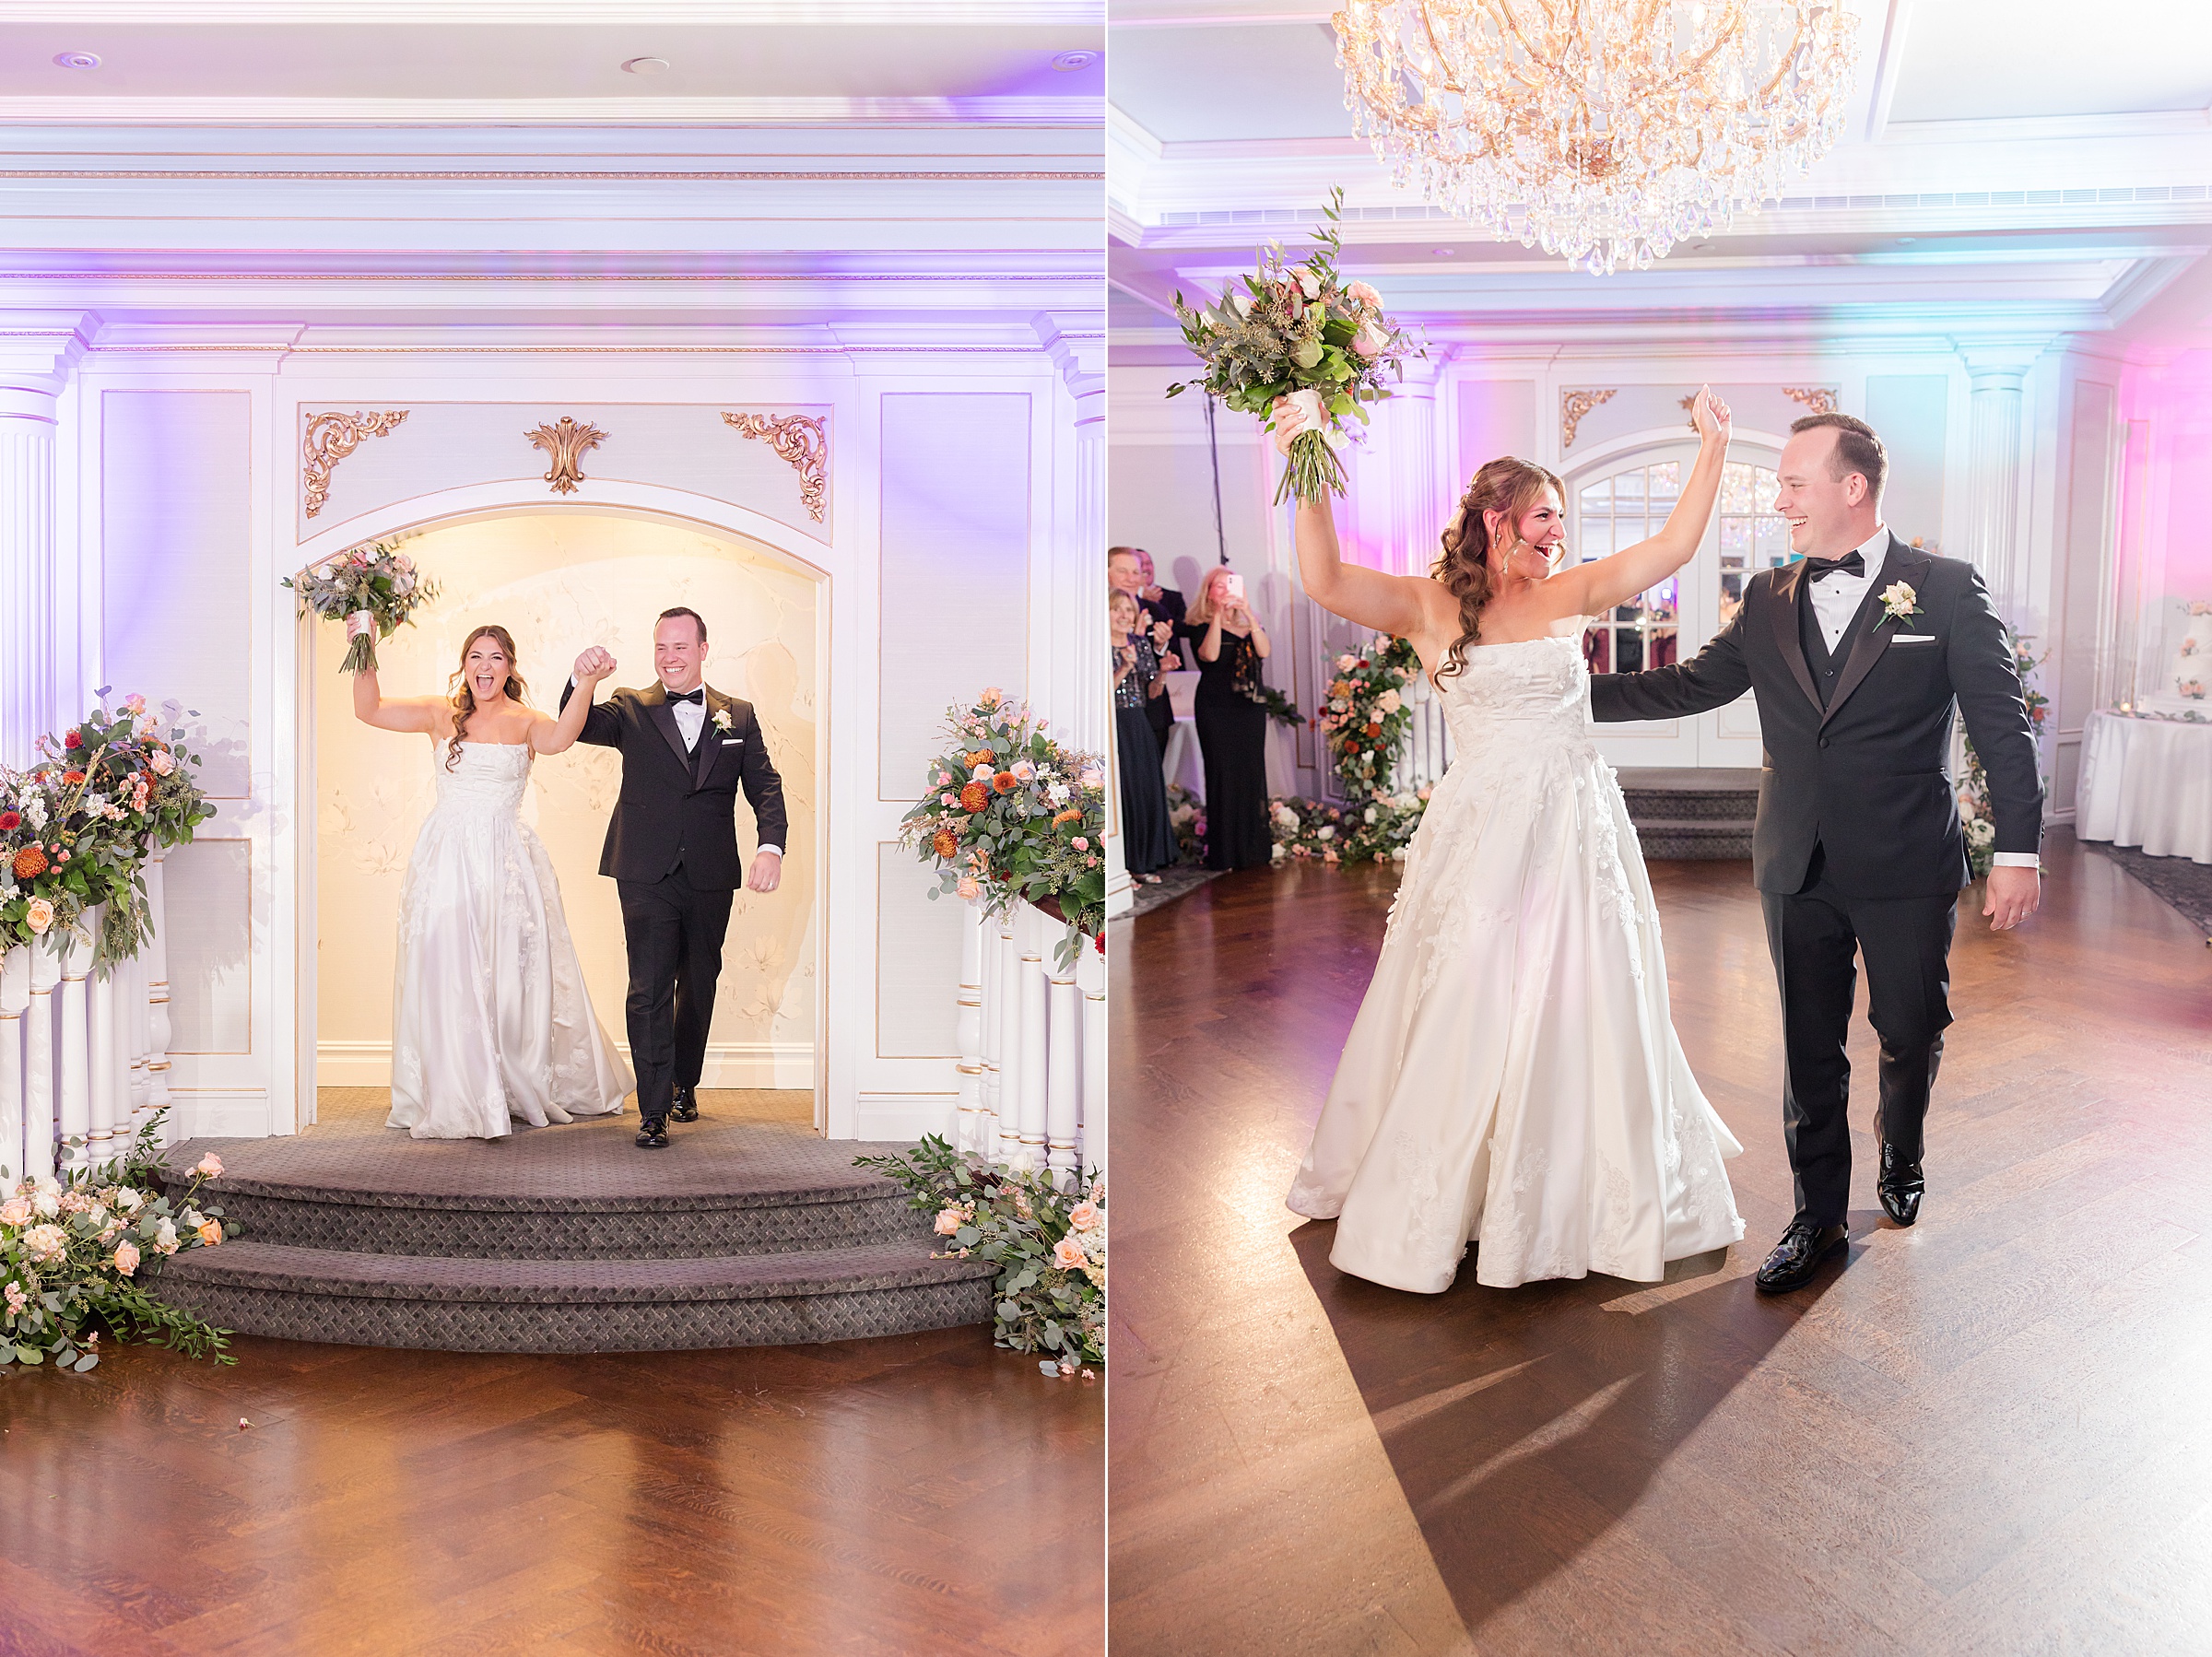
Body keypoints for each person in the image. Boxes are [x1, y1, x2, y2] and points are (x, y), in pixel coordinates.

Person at [1277, 387, 1745, 1293]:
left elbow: (1674, 547)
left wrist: (1713, 448)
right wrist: (1307, 461)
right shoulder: (1427, 608)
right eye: (1543, 518)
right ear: (1496, 521)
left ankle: (1581, 1190)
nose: (1558, 534)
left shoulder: (1572, 592)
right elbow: (1325, 579)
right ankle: (1454, 1187)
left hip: (1574, 823)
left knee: (1585, 989)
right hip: (1483, 829)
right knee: (1472, 988)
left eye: (1561, 520)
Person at [1591, 412, 2042, 1292]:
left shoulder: (1946, 589)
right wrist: (1562, 688)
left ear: (1853, 487)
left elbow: (2003, 727)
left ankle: (1901, 1149)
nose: (1781, 500)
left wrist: (2018, 852)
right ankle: (1817, 1217)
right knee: (1808, 1047)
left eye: (1794, 483)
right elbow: (1690, 685)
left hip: (1906, 861)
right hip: (1794, 860)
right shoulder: (1767, 596)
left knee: (1910, 1028)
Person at [349, 623, 633, 1140]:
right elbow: (368, 709)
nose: (485, 666)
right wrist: (362, 641)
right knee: (449, 969)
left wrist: (586, 681)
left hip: (506, 864)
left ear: (510, 667)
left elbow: (561, 739)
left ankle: (504, 1082)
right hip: (446, 861)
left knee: (507, 974)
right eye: (476, 656)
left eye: (496, 657)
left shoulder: (526, 721)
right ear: (465, 664)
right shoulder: (439, 713)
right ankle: (455, 1087)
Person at [559, 607, 789, 1151]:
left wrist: (770, 848)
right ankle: (653, 1107)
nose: (670, 657)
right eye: (661, 647)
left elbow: (765, 786)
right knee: (649, 987)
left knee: (700, 982)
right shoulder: (630, 707)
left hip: (710, 871)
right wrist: (580, 678)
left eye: (681, 647)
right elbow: (578, 726)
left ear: (703, 650)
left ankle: (685, 1081)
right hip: (645, 869)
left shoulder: (738, 715)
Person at [1178, 567, 1274, 872]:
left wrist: (1248, 613)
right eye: (1217, 586)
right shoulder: (1198, 625)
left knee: (1251, 772)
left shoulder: (1251, 623)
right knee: (1221, 774)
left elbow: (1264, 651)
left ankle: (1254, 848)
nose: (1224, 591)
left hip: (1250, 709)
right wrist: (1219, 616)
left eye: (1228, 585)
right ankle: (1225, 852)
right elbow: (1209, 656)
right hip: (1216, 708)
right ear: (1208, 593)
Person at [1112, 588, 1176, 879]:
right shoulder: (1100, 646)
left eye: (1128, 609)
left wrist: (1163, 672)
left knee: (1146, 790)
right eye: (1117, 609)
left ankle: (1146, 861)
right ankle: (1126, 866)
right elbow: (1104, 692)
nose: (1124, 615)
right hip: (1115, 723)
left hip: (1139, 721)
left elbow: (1152, 692)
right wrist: (1125, 667)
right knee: (1126, 794)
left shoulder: (1140, 643)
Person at [1111, 546, 1182, 755]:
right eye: (1123, 571)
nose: (1131, 578)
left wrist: (1160, 647)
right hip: (1112, 715)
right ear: (1106, 573)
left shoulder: (1156, 610)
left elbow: (1173, 654)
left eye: (1136, 572)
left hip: (1152, 713)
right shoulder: (1094, 611)